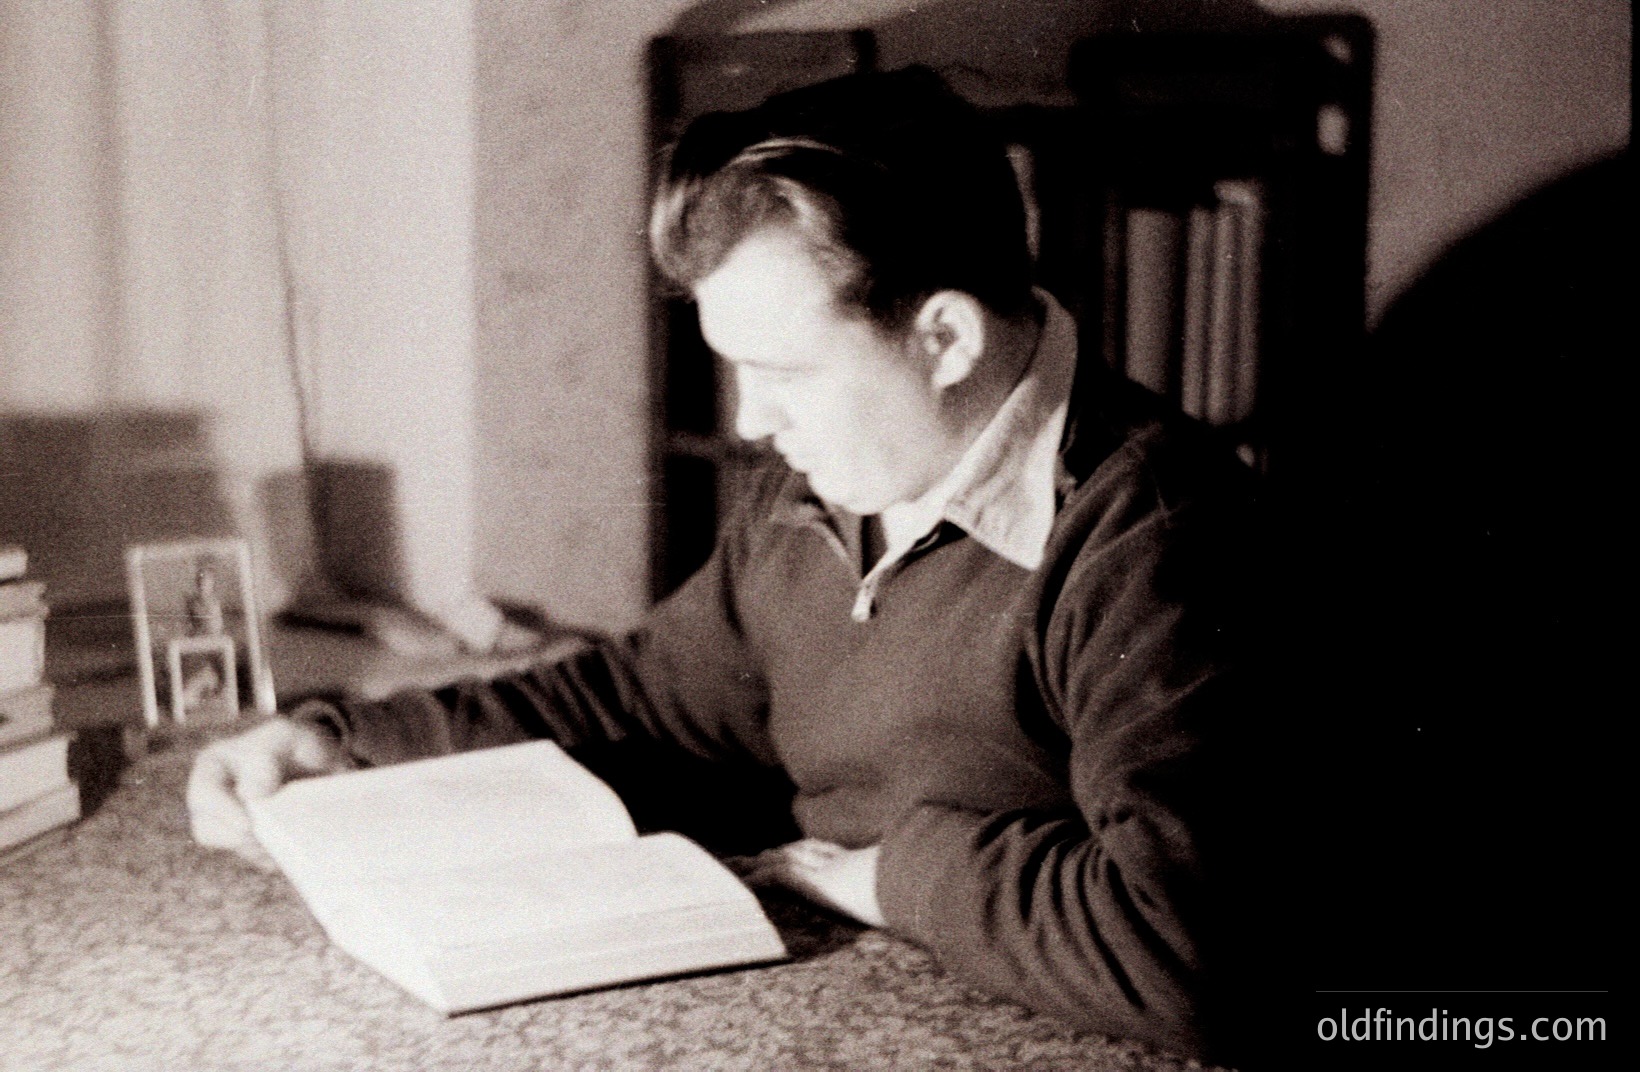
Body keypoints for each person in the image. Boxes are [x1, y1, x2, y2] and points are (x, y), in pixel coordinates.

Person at [187, 68, 1280, 1064]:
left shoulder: (1157, 534)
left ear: (943, 339)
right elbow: (649, 699)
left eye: (783, 372)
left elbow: (1187, 951)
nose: (752, 424)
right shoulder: (817, 487)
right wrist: (342, 741)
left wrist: (892, 872)